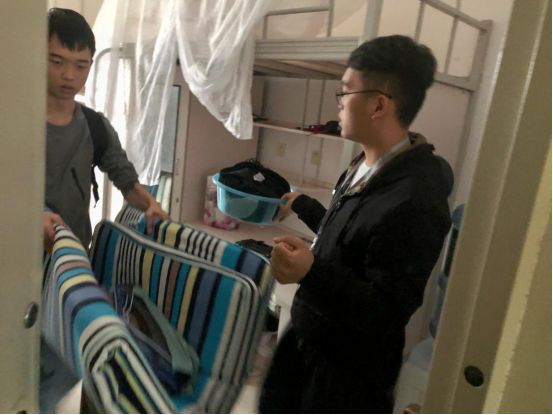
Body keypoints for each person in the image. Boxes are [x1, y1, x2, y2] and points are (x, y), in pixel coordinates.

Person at [260, 35, 455, 414]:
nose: (339, 102)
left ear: (378, 105)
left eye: (346, 90)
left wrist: (310, 272)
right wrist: (304, 205)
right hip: (308, 348)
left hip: (345, 380)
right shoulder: (362, 165)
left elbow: (385, 313)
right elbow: (350, 235)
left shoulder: (417, 197)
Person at [43, 8, 169, 252]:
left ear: (91, 65)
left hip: (75, 256)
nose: (69, 75)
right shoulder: (14, 125)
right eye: (57, 62)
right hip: (16, 257)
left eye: (81, 65)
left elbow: (126, 180)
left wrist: (150, 204)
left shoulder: (95, 126)